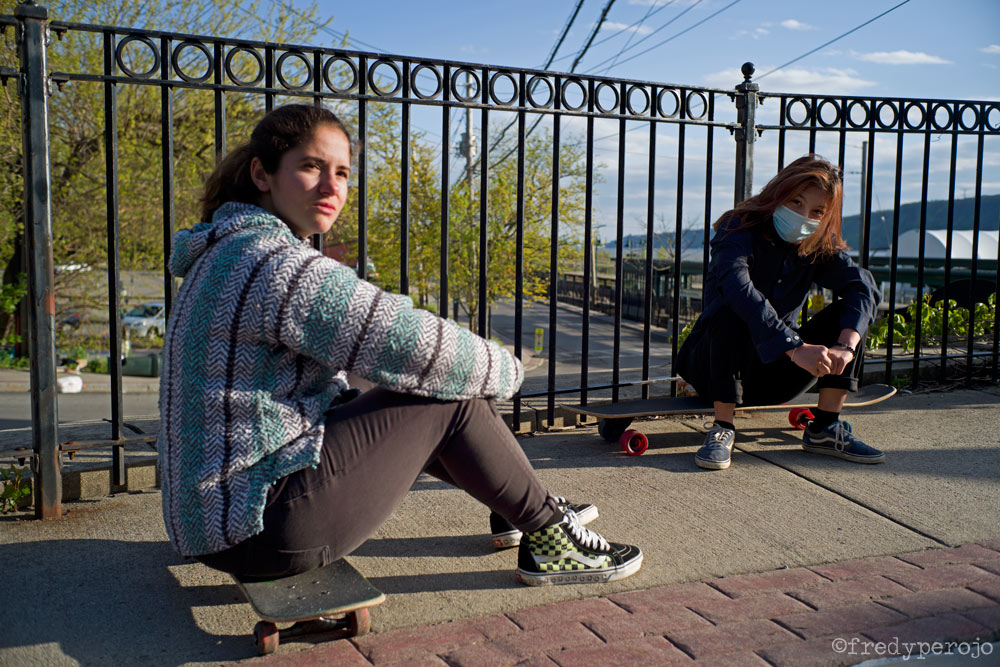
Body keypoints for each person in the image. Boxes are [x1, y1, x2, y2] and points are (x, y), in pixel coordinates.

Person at [156, 104, 642, 586]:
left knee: (420, 391)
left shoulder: (231, 249)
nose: (332, 187)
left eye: (342, 173)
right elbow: (416, 346)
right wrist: (510, 370)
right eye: (311, 167)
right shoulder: (275, 265)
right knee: (447, 392)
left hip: (218, 516)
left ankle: (521, 506)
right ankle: (551, 535)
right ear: (262, 174)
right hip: (260, 525)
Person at [675, 154, 884, 471]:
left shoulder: (816, 244)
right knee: (731, 309)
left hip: (777, 373)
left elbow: (863, 287)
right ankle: (722, 427)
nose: (803, 216)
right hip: (715, 368)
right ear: (779, 194)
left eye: (816, 211)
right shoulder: (737, 230)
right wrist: (794, 346)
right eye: (797, 203)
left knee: (853, 310)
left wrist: (845, 346)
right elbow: (737, 287)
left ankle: (825, 427)